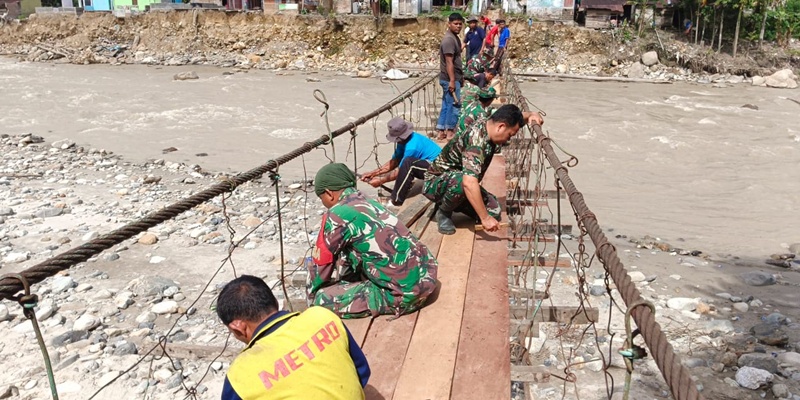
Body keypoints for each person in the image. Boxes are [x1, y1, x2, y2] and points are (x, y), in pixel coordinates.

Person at [309, 163, 439, 319]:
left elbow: (321, 264)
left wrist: (314, 296)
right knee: (348, 252)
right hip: (428, 277)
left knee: (321, 300)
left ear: (329, 193)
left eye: (321, 198)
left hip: (405, 295)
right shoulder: (366, 200)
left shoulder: (336, 215)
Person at [217, 275, 371, 400]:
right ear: (275, 303)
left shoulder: (240, 374)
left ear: (238, 327)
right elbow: (362, 371)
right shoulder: (321, 317)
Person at [423, 105, 544, 235]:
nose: (508, 140)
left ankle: (451, 201)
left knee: (494, 211)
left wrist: (530, 114)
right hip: (435, 183)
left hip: (457, 182)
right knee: (463, 182)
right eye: (509, 135)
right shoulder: (476, 144)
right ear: (501, 127)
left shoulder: (489, 119)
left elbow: (510, 116)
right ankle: (444, 211)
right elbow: (469, 183)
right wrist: (485, 218)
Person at [360, 117, 442, 206]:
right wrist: (373, 173)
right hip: (425, 165)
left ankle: (396, 200)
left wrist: (381, 180)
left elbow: (400, 171)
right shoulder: (403, 141)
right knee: (407, 164)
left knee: (409, 164)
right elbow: (394, 162)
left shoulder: (412, 147)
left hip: (438, 170)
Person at [436, 12, 465, 141]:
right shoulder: (449, 40)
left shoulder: (454, 38)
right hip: (450, 79)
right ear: (449, 24)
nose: (458, 26)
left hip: (450, 78)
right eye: (455, 24)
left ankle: (441, 131)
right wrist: (452, 80)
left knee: (446, 104)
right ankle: (450, 132)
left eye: (460, 24)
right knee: (454, 105)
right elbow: (449, 62)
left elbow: (455, 57)